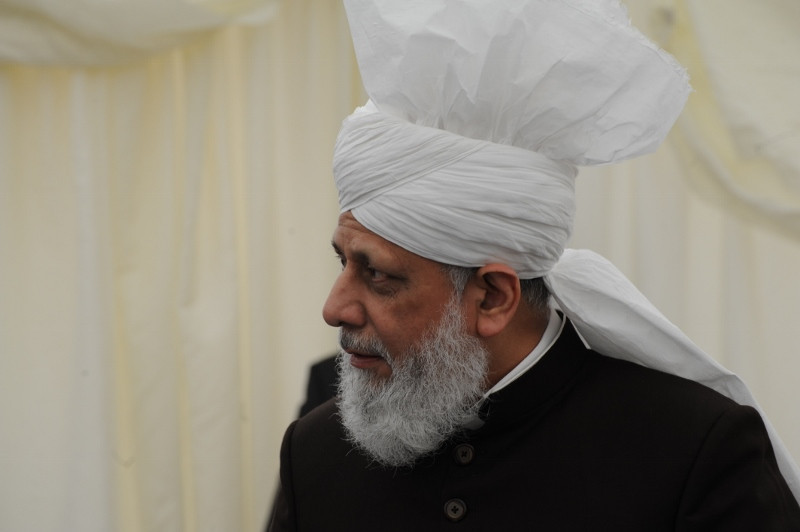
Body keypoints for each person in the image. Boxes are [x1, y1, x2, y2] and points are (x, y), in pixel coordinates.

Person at [267, 0, 800, 530]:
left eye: (378, 275)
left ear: (493, 297)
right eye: (343, 262)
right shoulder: (313, 454)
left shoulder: (694, 451)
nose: (334, 308)